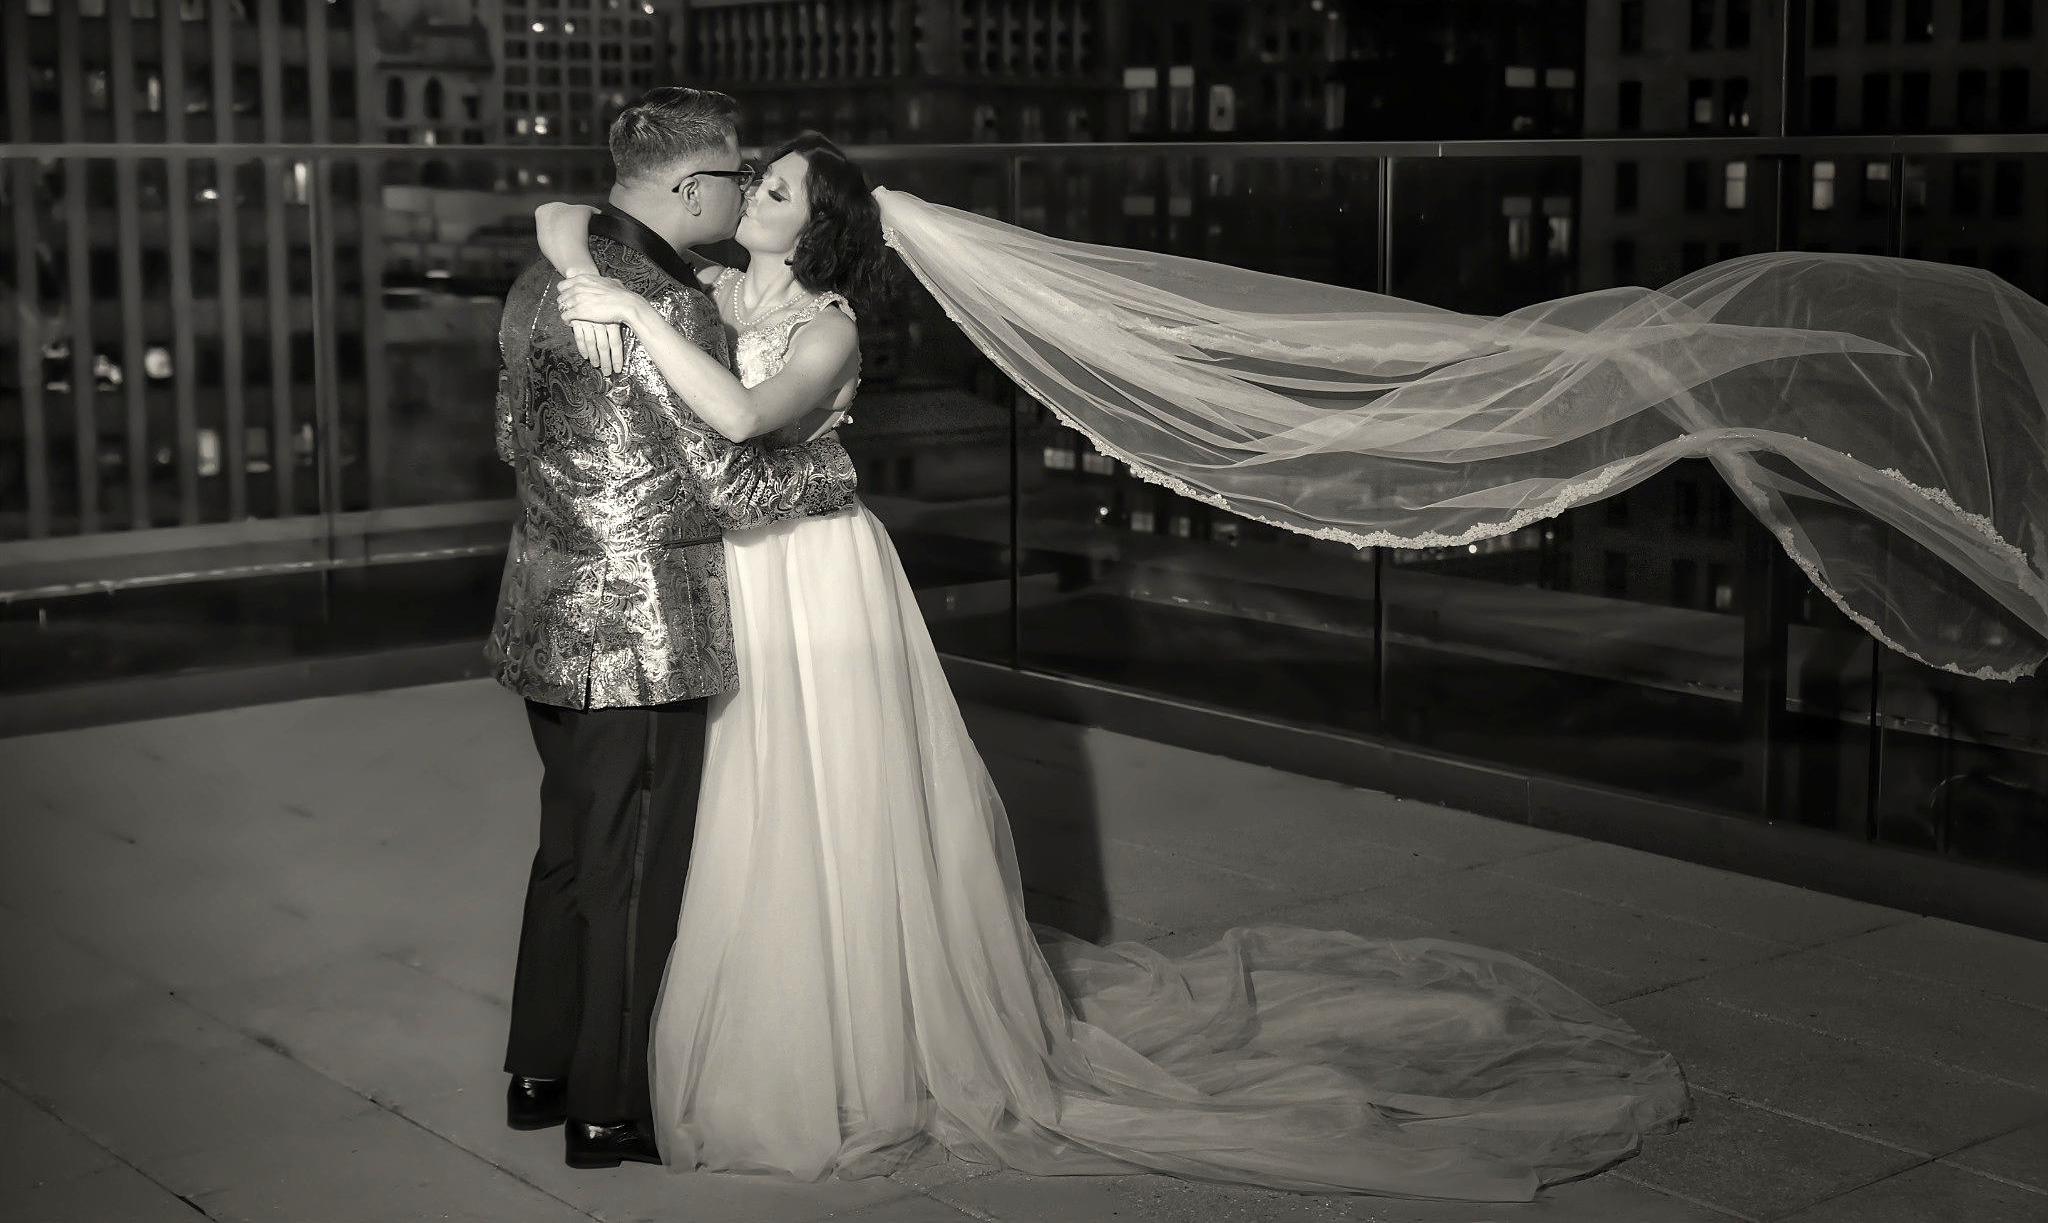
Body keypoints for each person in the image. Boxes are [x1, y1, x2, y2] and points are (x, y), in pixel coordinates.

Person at [532, 133, 1688, 1200]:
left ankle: (852, 1044)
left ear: (814, 226)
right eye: (752, 179)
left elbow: (734, 417)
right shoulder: (719, 291)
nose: (751, 193)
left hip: (816, 570)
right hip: (737, 568)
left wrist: (632, 324)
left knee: (824, 798)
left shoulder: (825, 325)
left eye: (773, 187)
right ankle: (751, 1026)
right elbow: (563, 213)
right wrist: (586, 263)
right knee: (741, 795)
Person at [488, 90, 862, 1172]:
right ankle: (608, 1110)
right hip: (643, 629)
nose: (745, 190)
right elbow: (724, 483)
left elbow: (511, 437)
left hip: (541, 607)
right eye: (738, 175)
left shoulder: (537, 287)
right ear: (691, 189)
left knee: (565, 850)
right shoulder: (670, 309)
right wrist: (834, 469)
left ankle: (537, 1067)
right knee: (634, 869)